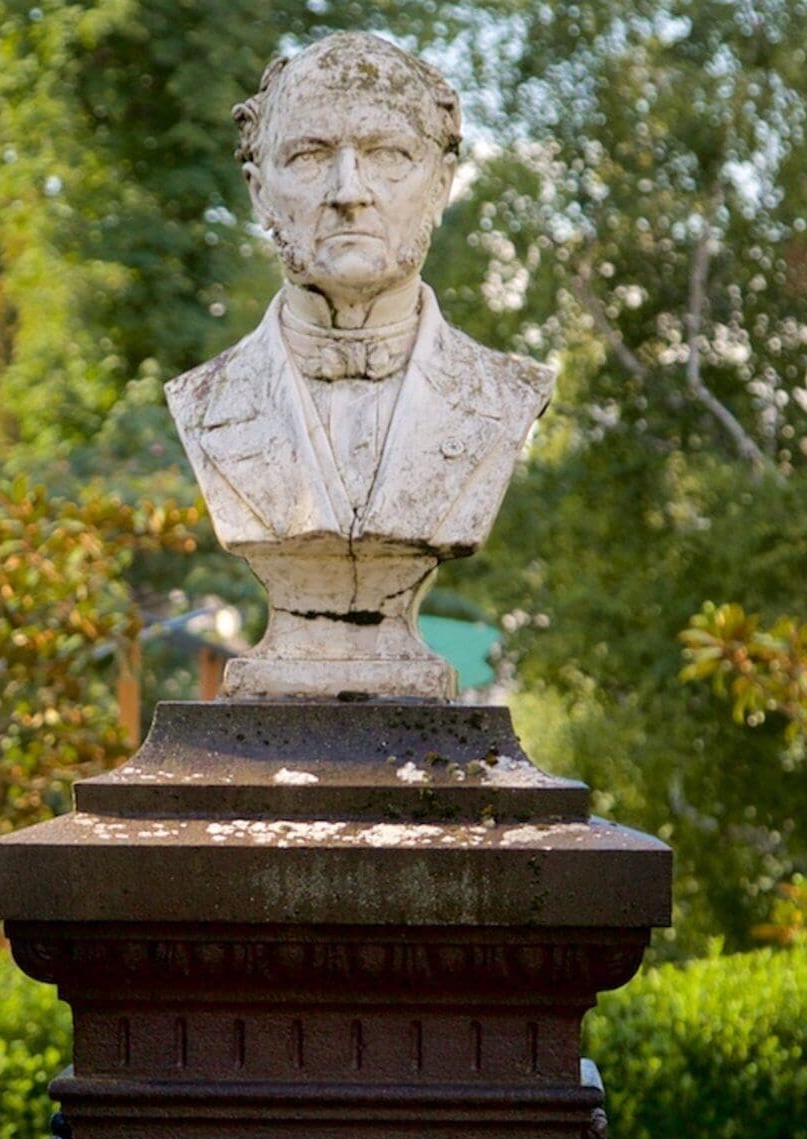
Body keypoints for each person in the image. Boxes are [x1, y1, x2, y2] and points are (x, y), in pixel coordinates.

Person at [167, 34, 552, 704]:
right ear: (259, 192)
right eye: (311, 156)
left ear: (441, 184)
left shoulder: (504, 398)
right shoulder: (205, 403)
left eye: (388, 156)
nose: (350, 191)